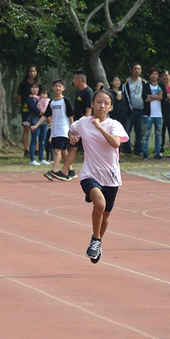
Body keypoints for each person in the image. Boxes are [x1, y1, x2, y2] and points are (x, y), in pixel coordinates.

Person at [68, 89, 129, 263]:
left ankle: (98, 242)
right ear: (93, 104)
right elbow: (72, 130)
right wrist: (72, 136)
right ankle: (95, 239)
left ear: (110, 107)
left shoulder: (113, 125)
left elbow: (116, 143)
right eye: (99, 102)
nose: (102, 106)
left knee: (106, 215)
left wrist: (100, 127)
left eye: (106, 103)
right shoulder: (83, 122)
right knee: (99, 204)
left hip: (110, 176)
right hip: (90, 174)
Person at [32, 79, 73, 181]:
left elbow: (70, 115)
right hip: (55, 130)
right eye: (56, 86)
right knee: (63, 151)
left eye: (60, 86)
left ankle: (53, 172)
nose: (58, 88)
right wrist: (36, 125)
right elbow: (45, 115)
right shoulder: (51, 102)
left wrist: (73, 129)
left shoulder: (65, 100)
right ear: (53, 88)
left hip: (63, 129)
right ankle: (71, 171)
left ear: (63, 88)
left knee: (57, 151)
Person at [58, 69, 93, 180]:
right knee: (72, 147)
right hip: (78, 125)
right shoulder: (78, 92)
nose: (73, 81)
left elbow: (89, 110)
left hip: (85, 126)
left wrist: (85, 125)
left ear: (79, 80)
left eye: (74, 79)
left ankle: (93, 172)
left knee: (88, 150)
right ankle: (65, 172)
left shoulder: (88, 92)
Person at [142, 67, 166, 160]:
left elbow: (162, 98)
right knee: (145, 134)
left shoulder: (161, 86)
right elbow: (145, 99)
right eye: (152, 74)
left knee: (159, 134)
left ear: (158, 75)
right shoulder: (146, 85)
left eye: (156, 74)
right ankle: (145, 153)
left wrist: (151, 96)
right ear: (149, 76)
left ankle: (157, 153)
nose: (154, 76)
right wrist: (156, 96)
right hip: (148, 114)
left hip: (159, 115)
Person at [122, 63, 146, 155]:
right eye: (135, 69)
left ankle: (138, 150)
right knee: (126, 131)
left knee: (140, 132)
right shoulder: (126, 83)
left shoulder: (144, 82)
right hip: (130, 112)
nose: (137, 71)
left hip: (141, 110)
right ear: (131, 70)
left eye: (139, 69)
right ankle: (127, 150)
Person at [17, 66, 41, 157]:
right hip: (26, 110)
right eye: (30, 71)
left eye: (34, 71)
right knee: (26, 129)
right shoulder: (23, 84)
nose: (32, 73)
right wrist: (26, 105)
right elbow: (19, 97)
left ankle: (37, 150)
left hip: (37, 111)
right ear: (28, 72)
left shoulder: (39, 84)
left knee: (36, 128)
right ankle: (26, 150)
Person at [26, 83, 50, 166]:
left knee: (42, 141)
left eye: (36, 88)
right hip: (35, 122)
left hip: (44, 123)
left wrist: (47, 117)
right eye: (33, 88)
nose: (35, 90)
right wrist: (44, 115)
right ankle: (32, 159)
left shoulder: (44, 99)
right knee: (34, 141)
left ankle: (41, 159)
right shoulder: (30, 99)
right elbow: (34, 109)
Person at [160, 69, 170, 155]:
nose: (165, 77)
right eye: (163, 75)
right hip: (161, 109)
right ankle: (160, 149)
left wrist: (163, 97)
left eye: (166, 75)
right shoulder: (159, 86)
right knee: (161, 130)